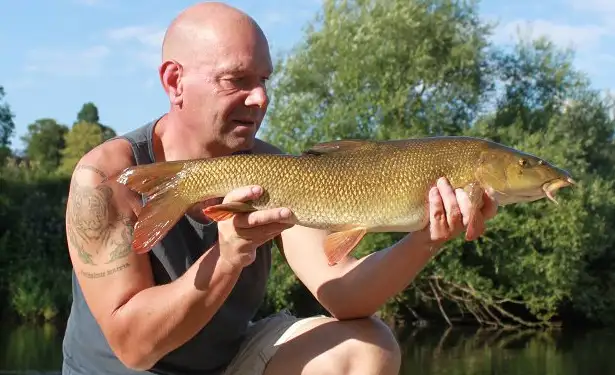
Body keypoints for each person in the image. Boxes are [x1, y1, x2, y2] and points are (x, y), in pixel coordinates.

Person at [61, 2, 498, 375]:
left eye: (264, 80)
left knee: (369, 347)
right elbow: (134, 348)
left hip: (226, 364)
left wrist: (428, 237)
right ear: (175, 82)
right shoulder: (103, 177)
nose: (261, 99)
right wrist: (228, 255)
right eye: (237, 80)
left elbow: (343, 293)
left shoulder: (275, 168)